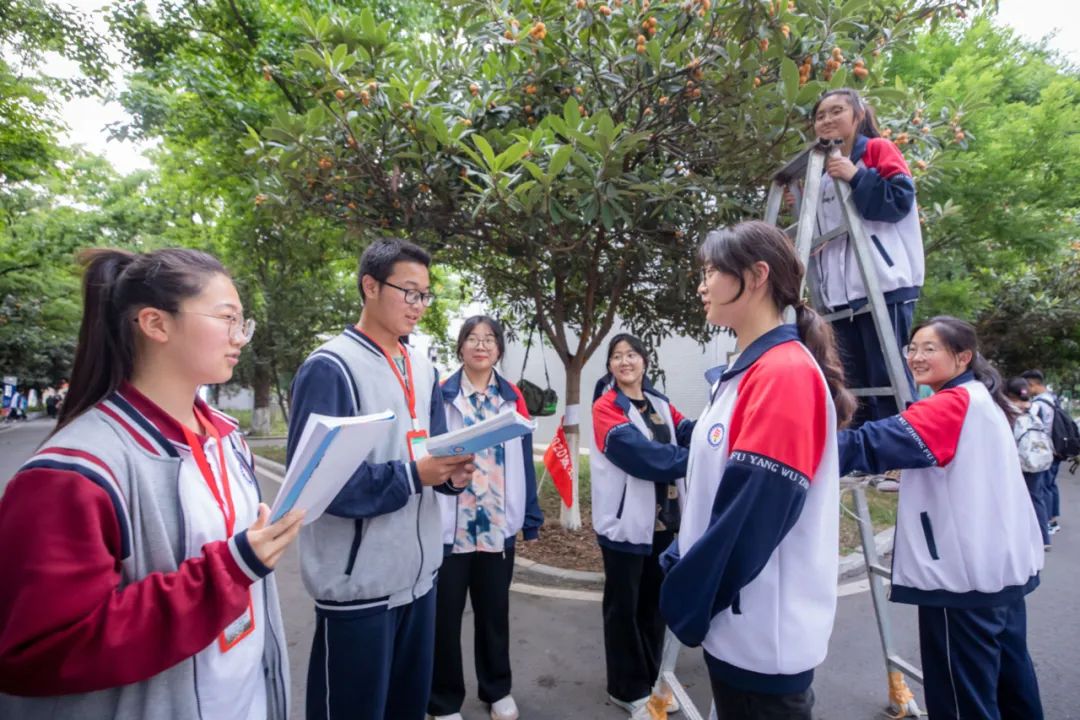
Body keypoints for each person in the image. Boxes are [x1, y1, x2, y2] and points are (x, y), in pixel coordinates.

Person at [0, 248, 304, 719]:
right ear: (156, 324)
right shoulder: (70, 475)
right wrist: (229, 571)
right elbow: (40, 651)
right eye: (227, 318)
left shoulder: (225, 436)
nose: (240, 338)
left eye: (243, 322)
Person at [660, 221, 855, 720]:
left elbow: (752, 513)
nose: (702, 286)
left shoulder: (783, 373)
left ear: (755, 275)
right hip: (742, 625)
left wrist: (689, 596)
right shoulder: (750, 371)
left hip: (763, 635)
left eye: (710, 272)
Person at [288, 238, 476, 720]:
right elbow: (318, 487)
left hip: (419, 579)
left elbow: (431, 449)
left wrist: (451, 475)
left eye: (425, 295)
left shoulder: (422, 366)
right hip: (358, 589)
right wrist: (415, 476)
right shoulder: (331, 367)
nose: (418, 305)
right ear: (369, 286)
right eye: (408, 292)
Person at [839, 317, 1044, 719]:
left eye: (929, 348)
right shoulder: (981, 398)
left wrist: (792, 441)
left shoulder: (953, 404)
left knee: (961, 697)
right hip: (1000, 568)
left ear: (963, 356)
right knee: (1010, 682)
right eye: (912, 348)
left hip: (961, 576)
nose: (916, 356)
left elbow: (869, 443)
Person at [429, 315, 543, 720]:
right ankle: (443, 701)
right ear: (460, 347)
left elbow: (525, 463)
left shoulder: (513, 397)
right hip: (450, 527)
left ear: (499, 349)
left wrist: (530, 515)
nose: (481, 345)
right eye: (472, 339)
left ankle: (497, 689)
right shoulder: (439, 397)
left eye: (490, 339)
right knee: (443, 619)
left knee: (494, 614)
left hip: (496, 526)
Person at [591, 332, 694, 715]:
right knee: (624, 609)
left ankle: (653, 680)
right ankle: (626, 688)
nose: (624, 362)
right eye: (616, 357)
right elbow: (641, 456)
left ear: (644, 361)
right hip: (624, 527)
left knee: (654, 606)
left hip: (664, 525)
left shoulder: (660, 403)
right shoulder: (606, 408)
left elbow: (689, 432)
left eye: (631, 354)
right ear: (610, 367)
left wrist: (720, 435)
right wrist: (696, 459)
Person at [809, 87, 924, 425]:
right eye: (820, 115)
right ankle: (862, 457)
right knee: (851, 383)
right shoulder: (821, 172)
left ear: (858, 115)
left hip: (883, 284)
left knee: (887, 375)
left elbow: (899, 201)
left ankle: (898, 457)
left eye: (836, 111)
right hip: (840, 296)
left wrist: (858, 176)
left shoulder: (877, 150)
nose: (827, 119)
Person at [1006, 377, 1053, 548]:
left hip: (1019, 460)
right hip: (1038, 459)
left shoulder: (1008, 411)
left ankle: (1021, 538)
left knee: (1016, 499)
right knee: (1036, 497)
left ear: (1009, 394)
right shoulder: (1036, 408)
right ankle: (1043, 538)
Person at [1023, 369, 1063, 536]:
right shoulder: (1053, 399)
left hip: (1045, 451)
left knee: (1043, 488)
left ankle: (1046, 522)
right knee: (1051, 485)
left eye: (1027, 386)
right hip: (1058, 448)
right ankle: (1053, 519)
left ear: (1033, 384)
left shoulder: (1039, 404)